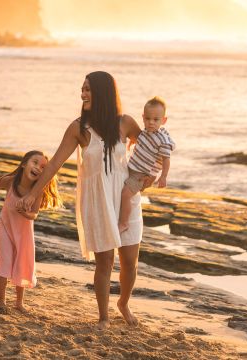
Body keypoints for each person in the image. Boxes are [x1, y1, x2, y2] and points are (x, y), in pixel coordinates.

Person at [18, 71, 153, 329]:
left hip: (126, 199)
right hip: (98, 202)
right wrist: (33, 194)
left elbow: (149, 146)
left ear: (103, 92)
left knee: (129, 262)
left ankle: (123, 303)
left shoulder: (125, 123)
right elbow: (55, 163)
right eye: (82, 89)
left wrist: (147, 177)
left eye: (88, 89)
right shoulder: (78, 128)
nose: (83, 94)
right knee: (105, 262)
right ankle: (103, 317)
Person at [0, 150, 63, 312]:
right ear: (24, 164)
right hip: (6, 227)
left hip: (23, 234)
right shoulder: (10, 182)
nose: (38, 168)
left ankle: (19, 302)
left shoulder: (37, 192)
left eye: (43, 167)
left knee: (22, 264)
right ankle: (1, 301)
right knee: (4, 261)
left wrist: (25, 213)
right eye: (35, 163)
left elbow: (34, 214)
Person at [118, 96, 175, 233]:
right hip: (131, 168)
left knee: (125, 195)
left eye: (156, 120)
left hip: (141, 175)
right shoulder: (146, 132)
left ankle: (124, 223)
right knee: (120, 191)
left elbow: (166, 159)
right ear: (143, 117)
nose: (151, 123)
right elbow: (142, 141)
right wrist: (134, 142)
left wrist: (163, 177)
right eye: (148, 119)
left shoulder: (163, 140)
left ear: (164, 120)